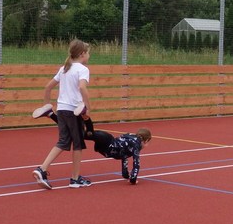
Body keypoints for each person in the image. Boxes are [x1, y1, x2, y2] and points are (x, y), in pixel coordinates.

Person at [33, 106, 152, 184]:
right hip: (107, 141)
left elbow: (124, 156)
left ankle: (51, 114)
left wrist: (126, 175)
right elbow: (136, 163)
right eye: (148, 143)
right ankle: (84, 114)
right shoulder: (136, 144)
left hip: (105, 143)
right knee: (85, 132)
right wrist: (133, 179)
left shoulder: (132, 140)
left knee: (76, 133)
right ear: (146, 140)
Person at [32, 39, 92, 190]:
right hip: (74, 111)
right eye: (88, 53)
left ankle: (42, 169)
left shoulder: (64, 68)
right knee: (77, 145)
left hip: (62, 110)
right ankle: (75, 179)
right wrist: (88, 108)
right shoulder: (82, 69)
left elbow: (48, 87)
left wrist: (47, 105)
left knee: (63, 141)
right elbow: (82, 88)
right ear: (82, 54)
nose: (89, 55)